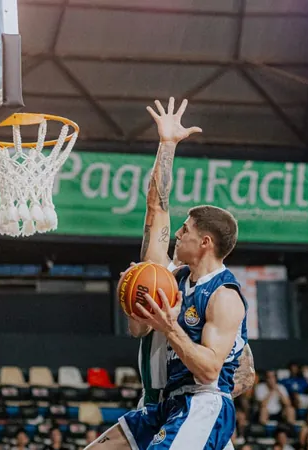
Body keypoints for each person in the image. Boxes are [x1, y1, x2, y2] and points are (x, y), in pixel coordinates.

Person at [85, 98, 249, 450]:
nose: (177, 233)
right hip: (159, 407)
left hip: (199, 403)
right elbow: (157, 205)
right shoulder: (163, 274)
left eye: (186, 230)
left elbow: (213, 369)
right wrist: (167, 144)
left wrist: (170, 326)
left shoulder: (223, 295)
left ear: (205, 242)